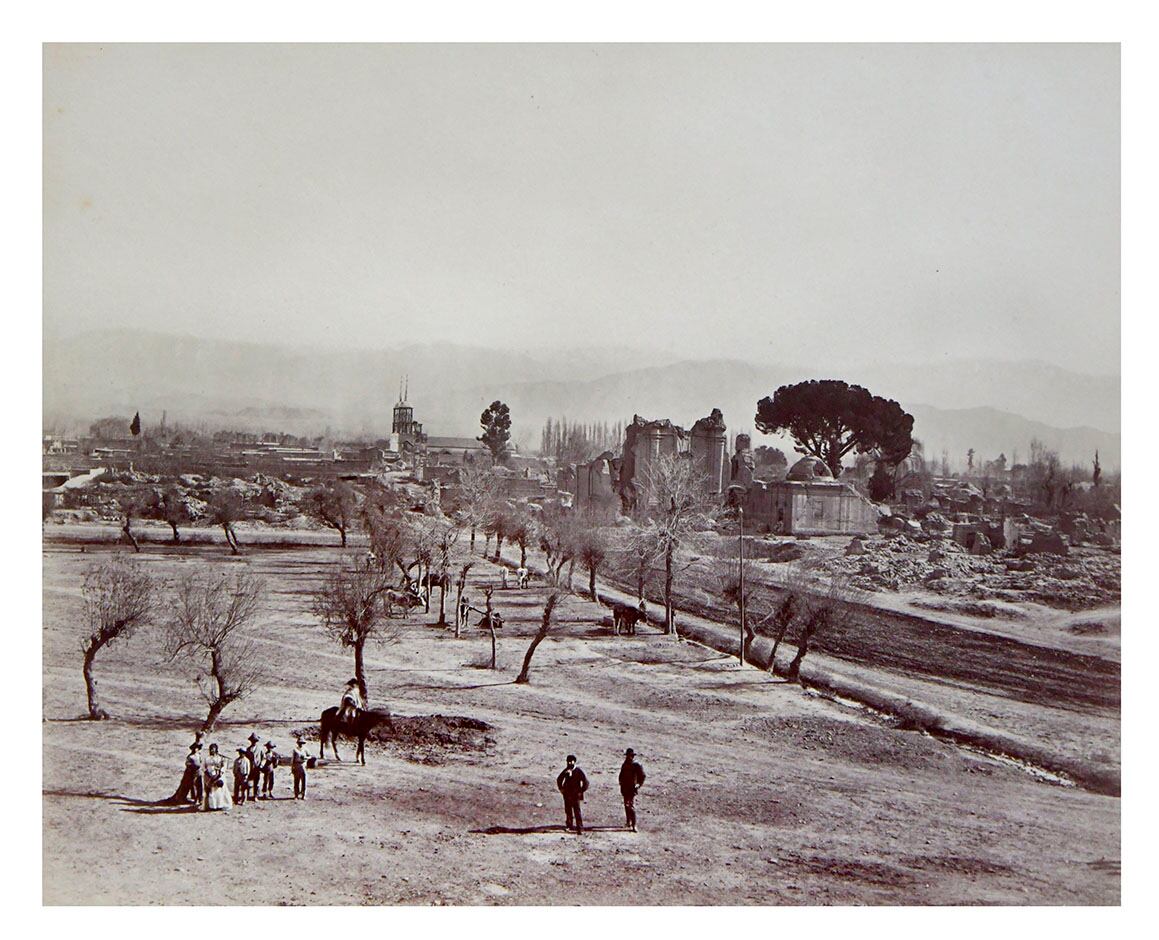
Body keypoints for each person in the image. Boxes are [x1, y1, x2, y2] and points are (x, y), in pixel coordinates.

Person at [556, 754, 589, 833]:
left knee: (577, 811)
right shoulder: (566, 771)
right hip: (567, 794)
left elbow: (586, 782)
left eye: (571, 761)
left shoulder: (578, 771)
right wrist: (561, 789)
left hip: (575, 795)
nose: (570, 763)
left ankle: (579, 827)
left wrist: (581, 791)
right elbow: (559, 779)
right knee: (568, 810)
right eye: (568, 762)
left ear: (574, 762)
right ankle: (569, 826)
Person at [618, 748, 646, 831]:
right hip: (624, 788)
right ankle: (628, 822)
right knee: (626, 805)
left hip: (632, 788)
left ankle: (634, 825)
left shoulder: (636, 765)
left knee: (630, 805)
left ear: (632, 756)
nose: (628, 757)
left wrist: (639, 784)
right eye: (627, 756)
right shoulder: (625, 764)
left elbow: (642, 776)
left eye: (630, 756)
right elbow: (621, 774)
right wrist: (620, 782)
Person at [202, 743, 231, 811]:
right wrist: (208, 775)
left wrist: (219, 774)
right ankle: (212, 806)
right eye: (211, 749)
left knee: (219, 791)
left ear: (216, 750)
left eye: (213, 749)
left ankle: (220, 805)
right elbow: (203, 767)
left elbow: (224, 766)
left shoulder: (220, 758)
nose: (212, 750)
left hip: (219, 776)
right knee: (211, 791)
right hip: (209, 777)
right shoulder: (207, 758)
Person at [185, 742, 204, 806]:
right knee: (194, 786)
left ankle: (200, 798)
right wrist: (192, 768)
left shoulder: (198, 755)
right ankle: (195, 799)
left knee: (200, 785)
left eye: (197, 748)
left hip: (199, 772)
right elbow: (187, 764)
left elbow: (201, 762)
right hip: (193, 772)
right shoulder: (190, 757)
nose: (196, 749)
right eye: (194, 748)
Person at [245, 732, 261, 800]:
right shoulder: (248, 749)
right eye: (252, 741)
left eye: (255, 741)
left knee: (256, 783)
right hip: (250, 768)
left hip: (257, 768)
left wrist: (260, 765)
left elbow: (263, 758)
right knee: (248, 782)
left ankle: (255, 796)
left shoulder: (259, 749)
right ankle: (247, 795)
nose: (253, 742)